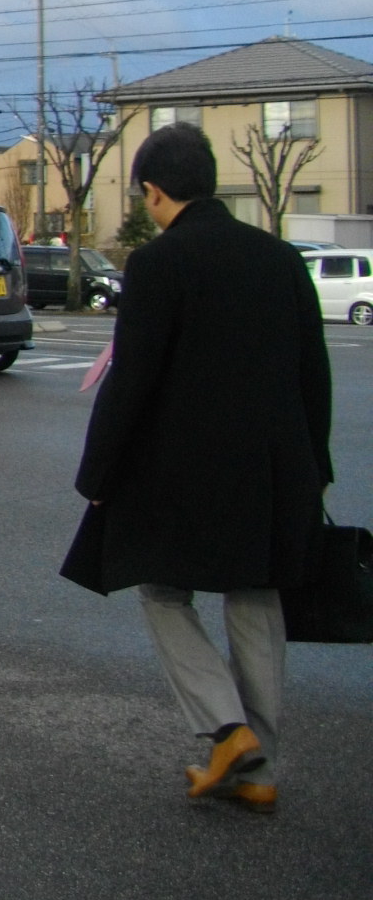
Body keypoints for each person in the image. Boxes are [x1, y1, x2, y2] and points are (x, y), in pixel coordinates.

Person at [66, 123, 331, 813]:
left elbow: (133, 383)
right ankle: (259, 766)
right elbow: (314, 374)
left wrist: (97, 477)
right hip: (276, 467)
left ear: (154, 193)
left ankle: (226, 727)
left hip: (183, 471)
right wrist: (315, 467)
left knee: (161, 591)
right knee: (256, 596)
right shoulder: (281, 260)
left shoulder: (159, 265)